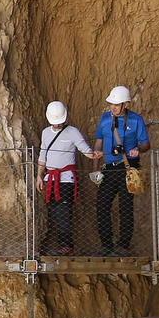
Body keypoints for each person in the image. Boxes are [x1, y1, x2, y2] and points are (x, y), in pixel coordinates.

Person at [91, 86, 150, 255]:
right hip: (109, 169)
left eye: (116, 104)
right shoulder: (104, 119)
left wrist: (138, 149)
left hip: (128, 168)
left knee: (125, 206)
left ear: (125, 104)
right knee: (102, 205)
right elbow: (98, 143)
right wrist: (95, 170)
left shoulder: (136, 120)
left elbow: (146, 143)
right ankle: (106, 245)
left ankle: (123, 246)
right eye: (111, 104)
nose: (113, 107)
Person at [37, 101, 99, 255]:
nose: (57, 125)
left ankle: (66, 246)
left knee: (64, 211)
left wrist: (94, 155)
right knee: (56, 213)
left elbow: (84, 149)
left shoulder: (72, 132)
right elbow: (42, 156)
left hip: (66, 179)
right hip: (50, 178)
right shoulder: (45, 133)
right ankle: (63, 246)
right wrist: (39, 175)